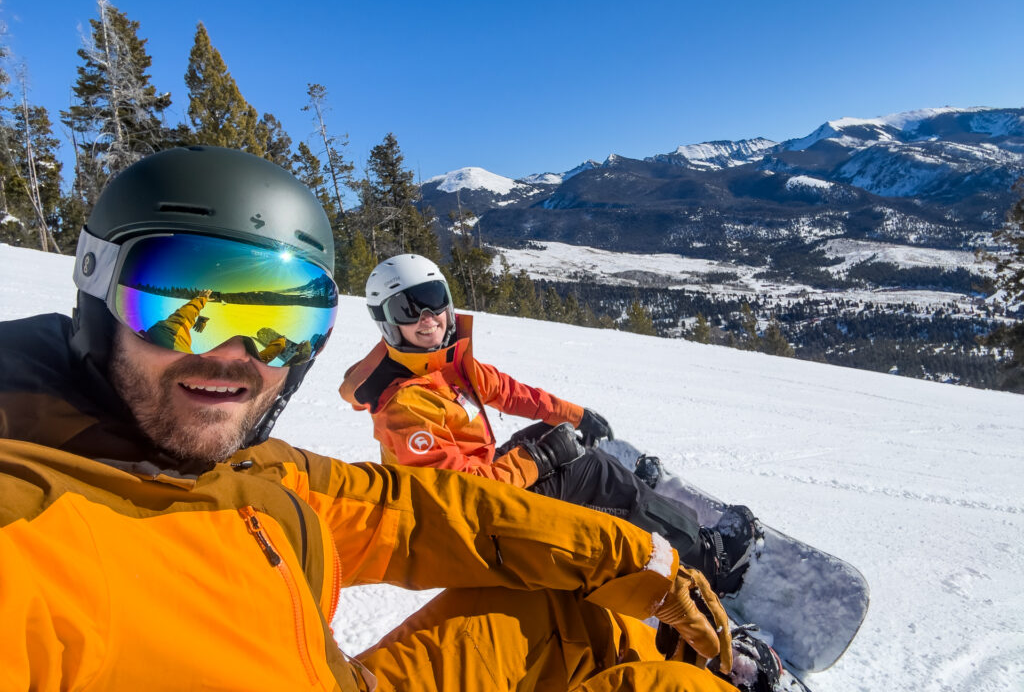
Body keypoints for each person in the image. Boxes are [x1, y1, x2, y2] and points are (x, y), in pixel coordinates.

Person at [0, 146, 739, 692]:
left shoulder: (249, 470)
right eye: (179, 309)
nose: (234, 359)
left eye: (282, 321)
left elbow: (408, 513)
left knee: (571, 614)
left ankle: (695, 619)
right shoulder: (31, 538)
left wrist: (629, 559)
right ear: (95, 289)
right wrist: (539, 463)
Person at [340, 254, 790, 691]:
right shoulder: (404, 406)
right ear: (386, 321)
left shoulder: (444, 363)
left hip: (482, 497)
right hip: (461, 532)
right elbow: (459, 495)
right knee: (591, 472)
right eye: (407, 309)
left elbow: (506, 390)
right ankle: (713, 561)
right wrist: (539, 459)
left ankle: (623, 510)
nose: (428, 317)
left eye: (433, 298)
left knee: (561, 445)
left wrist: (572, 416)